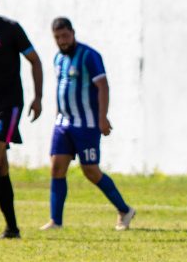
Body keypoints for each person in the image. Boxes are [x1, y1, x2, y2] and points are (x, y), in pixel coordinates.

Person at [40, 18, 136, 231]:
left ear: (73, 33)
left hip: (87, 124)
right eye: (57, 37)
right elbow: (62, 90)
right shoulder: (58, 59)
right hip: (63, 123)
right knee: (57, 168)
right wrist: (57, 116)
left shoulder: (89, 56)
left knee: (91, 170)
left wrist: (103, 118)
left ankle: (124, 210)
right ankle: (56, 221)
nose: (62, 41)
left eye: (65, 36)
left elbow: (103, 86)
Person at [0, 0, 43, 239]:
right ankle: (12, 228)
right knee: (1, 166)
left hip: (8, 104)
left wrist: (38, 97)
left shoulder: (9, 29)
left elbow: (34, 60)